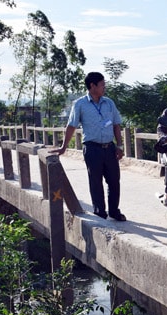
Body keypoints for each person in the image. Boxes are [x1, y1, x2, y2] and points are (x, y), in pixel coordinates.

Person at [51, 72, 127, 221]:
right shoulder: (80, 104)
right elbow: (71, 126)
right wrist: (64, 147)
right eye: (102, 84)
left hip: (109, 147)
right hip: (92, 148)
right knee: (95, 180)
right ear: (92, 86)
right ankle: (100, 211)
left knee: (114, 180)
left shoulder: (109, 103)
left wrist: (119, 145)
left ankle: (114, 211)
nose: (104, 87)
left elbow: (117, 125)